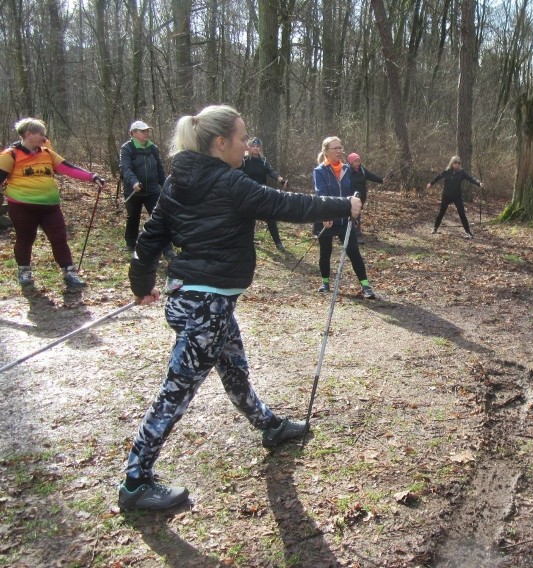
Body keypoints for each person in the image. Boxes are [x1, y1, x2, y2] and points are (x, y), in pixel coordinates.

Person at [119, 105, 360, 511]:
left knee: (233, 368)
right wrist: (342, 206)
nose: (248, 144)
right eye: (243, 137)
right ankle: (135, 481)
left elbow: (150, 239)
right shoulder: (229, 181)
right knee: (174, 393)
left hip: (201, 301)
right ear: (220, 142)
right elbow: (286, 205)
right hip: (205, 308)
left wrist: (142, 284)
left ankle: (268, 425)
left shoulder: (179, 181)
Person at [0, 117, 105, 288]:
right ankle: (24, 272)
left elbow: (68, 167)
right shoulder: (10, 155)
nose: (44, 138)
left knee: (59, 238)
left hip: (50, 206)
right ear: (28, 135)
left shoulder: (46, 153)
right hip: (22, 206)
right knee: (25, 239)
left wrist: (92, 177)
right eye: (41, 134)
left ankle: (69, 273)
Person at [313, 136, 376, 299]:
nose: (339, 151)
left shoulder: (347, 170)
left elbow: (356, 190)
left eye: (341, 148)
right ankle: (325, 282)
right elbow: (321, 195)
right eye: (335, 148)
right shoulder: (319, 171)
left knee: (354, 252)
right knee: (325, 252)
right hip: (326, 218)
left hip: (345, 219)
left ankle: (366, 286)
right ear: (326, 151)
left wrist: (355, 203)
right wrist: (325, 215)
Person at [119, 120, 173, 259]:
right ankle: (131, 244)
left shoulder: (153, 148)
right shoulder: (127, 148)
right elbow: (125, 168)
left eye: (147, 131)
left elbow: (159, 168)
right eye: (143, 131)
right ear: (133, 133)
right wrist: (134, 182)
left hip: (153, 190)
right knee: (133, 218)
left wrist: (166, 185)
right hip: (134, 191)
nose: (146, 133)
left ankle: (167, 249)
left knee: (160, 218)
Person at [240, 137, 288, 251]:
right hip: (248, 193)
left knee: (270, 217)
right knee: (248, 219)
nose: (255, 148)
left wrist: (282, 181)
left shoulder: (264, 161)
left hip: (262, 193)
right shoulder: (244, 160)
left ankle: (278, 243)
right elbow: (237, 173)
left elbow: (272, 172)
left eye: (257, 146)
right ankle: (248, 241)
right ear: (250, 147)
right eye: (253, 146)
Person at [427, 155, 483, 238]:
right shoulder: (446, 171)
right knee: (441, 212)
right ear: (452, 163)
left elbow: (471, 178)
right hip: (446, 195)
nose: (457, 164)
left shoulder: (462, 172)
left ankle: (468, 232)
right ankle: (435, 228)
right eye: (455, 163)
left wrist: (479, 183)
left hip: (457, 196)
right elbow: (438, 177)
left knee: (462, 214)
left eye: (458, 163)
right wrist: (431, 183)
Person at [347, 152, 383, 244]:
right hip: (350, 197)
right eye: (355, 161)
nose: (358, 163)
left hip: (361, 197)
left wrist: (382, 180)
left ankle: (354, 233)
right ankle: (355, 235)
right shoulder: (346, 170)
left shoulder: (362, 170)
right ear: (351, 162)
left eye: (359, 161)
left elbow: (371, 176)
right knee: (353, 215)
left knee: (357, 215)